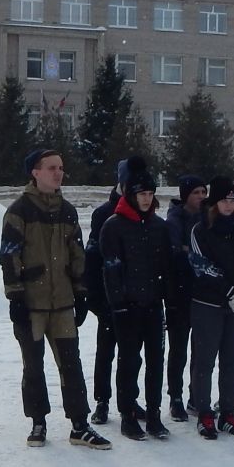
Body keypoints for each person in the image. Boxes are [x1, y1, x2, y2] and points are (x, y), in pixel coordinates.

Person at [0, 147, 100, 448]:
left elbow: (77, 256)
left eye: (61, 167)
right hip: (31, 305)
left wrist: (82, 293)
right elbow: (8, 256)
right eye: (52, 167)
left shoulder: (67, 211)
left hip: (63, 305)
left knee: (71, 363)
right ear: (36, 172)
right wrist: (15, 297)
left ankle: (80, 424)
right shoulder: (19, 211)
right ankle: (38, 422)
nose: (58, 173)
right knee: (33, 365)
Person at [100, 161, 173, 441]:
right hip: (127, 308)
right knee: (129, 362)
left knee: (156, 361)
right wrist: (118, 303)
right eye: (141, 193)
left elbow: (166, 267)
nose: (146, 198)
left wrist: (168, 298)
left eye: (150, 193)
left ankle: (153, 414)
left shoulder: (159, 226)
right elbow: (111, 268)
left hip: (154, 305)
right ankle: (128, 415)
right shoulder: (114, 226)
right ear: (130, 194)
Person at [186, 176, 234, 439]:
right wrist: (229, 291)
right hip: (208, 304)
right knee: (204, 361)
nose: (228, 205)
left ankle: (228, 413)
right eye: (223, 200)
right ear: (214, 203)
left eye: (232, 200)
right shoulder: (201, 230)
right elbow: (201, 266)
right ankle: (204, 413)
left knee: (231, 360)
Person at [81, 160, 139, 427]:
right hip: (108, 298)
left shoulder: (145, 214)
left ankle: (130, 399)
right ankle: (102, 401)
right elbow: (92, 257)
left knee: (132, 354)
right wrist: (93, 297)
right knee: (106, 352)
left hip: (135, 298)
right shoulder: (104, 213)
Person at [162, 175, 206, 422]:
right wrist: (193, 254)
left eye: (203, 192)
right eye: (196, 193)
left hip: (202, 293)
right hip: (178, 293)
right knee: (178, 349)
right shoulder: (175, 219)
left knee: (201, 349)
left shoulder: (207, 216)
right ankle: (175, 397)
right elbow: (176, 253)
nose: (201, 197)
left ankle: (196, 395)